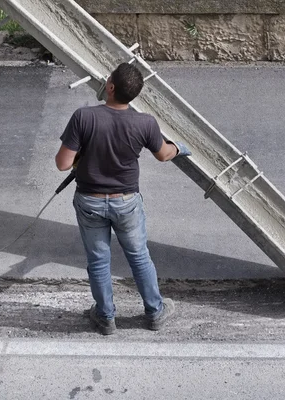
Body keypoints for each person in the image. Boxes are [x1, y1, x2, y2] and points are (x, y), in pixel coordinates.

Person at [54, 63, 191, 335]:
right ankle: (155, 312)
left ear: (111, 87)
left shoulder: (83, 117)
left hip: (90, 201)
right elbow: (163, 155)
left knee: (98, 260)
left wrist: (81, 156)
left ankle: (105, 317)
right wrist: (180, 147)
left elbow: (62, 163)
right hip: (126, 202)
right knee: (139, 257)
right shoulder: (146, 123)